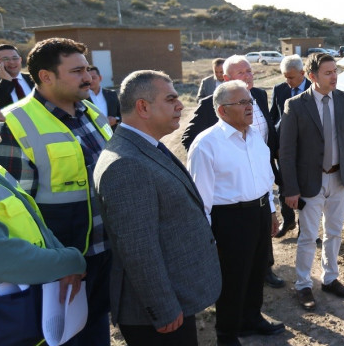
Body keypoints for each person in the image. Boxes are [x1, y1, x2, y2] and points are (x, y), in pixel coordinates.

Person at [0, 37, 114, 346]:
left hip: (102, 257)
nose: (87, 77)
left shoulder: (91, 113)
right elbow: (12, 211)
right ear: (46, 76)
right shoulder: (15, 123)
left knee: (96, 331)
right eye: (76, 71)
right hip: (60, 270)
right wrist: (51, 265)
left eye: (86, 69)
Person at [94, 70, 221, 346]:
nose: (180, 106)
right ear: (143, 107)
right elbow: (139, 248)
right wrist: (162, 307)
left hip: (174, 297)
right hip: (153, 314)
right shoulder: (126, 164)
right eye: (171, 99)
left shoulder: (142, 147)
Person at [0, 84, 86, 346]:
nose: (2, 116)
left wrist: (60, 261)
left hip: (14, 315)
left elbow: (34, 224)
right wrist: (70, 262)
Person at [187, 80, 285, 345]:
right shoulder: (206, 144)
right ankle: (227, 334)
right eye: (241, 102)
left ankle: (251, 319)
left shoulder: (254, 136)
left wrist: (272, 212)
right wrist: (209, 238)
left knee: (256, 271)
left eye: (249, 101)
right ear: (222, 110)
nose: (249, 106)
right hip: (230, 219)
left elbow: (265, 178)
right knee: (233, 279)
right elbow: (201, 198)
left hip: (260, 213)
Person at [181, 55, 285, 288]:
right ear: (226, 79)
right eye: (242, 73)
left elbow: (268, 128)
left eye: (250, 71)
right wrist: (220, 155)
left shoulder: (258, 95)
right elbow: (189, 138)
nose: (249, 76)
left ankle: (265, 269)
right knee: (235, 266)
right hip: (230, 187)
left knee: (262, 233)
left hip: (259, 170)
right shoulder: (211, 104)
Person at [279, 52, 344, 311]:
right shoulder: (295, 105)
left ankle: (330, 279)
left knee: (334, 232)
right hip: (309, 182)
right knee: (308, 236)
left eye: (335, 71)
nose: (334, 76)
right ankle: (303, 284)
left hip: (339, 178)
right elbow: (287, 151)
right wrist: (291, 189)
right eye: (328, 73)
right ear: (312, 76)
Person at [270, 55, 311, 239]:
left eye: (291, 77)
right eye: (285, 77)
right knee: (284, 187)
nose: (287, 81)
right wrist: (276, 145)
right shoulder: (279, 90)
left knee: (306, 190)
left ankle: (305, 227)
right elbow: (274, 118)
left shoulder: (314, 90)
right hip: (284, 150)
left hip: (306, 151)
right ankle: (288, 221)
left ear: (303, 73)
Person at [0, 43, 34, 108]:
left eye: (15, 58)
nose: (12, 62)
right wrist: (6, 81)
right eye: (5, 59)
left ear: (20, 60)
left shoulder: (33, 79)